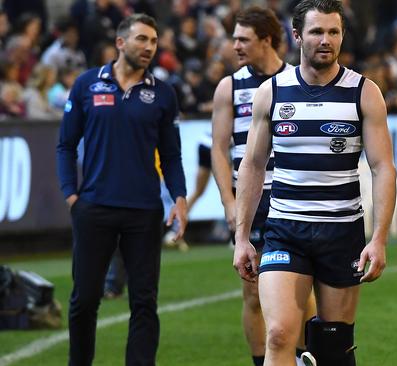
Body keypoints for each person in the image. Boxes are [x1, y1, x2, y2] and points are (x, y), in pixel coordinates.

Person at [233, 1, 397, 365]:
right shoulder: (272, 92)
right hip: (285, 230)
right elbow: (253, 164)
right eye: (317, 31)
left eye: (334, 32)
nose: (326, 40)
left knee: (333, 346)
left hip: (342, 233)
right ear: (296, 36)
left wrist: (379, 239)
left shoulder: (364, 92)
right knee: (278, 336)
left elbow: (383, 167)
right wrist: (242, 237)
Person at [56, 13, 187, 366]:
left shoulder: (163, 94)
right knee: (84, 300)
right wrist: (72, 195)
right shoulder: (86, 85)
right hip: (93, 208)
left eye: (153, 41)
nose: (149, 47)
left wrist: (179, 197)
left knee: (144, 302)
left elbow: (171, 155)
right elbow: (66, 145)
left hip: (144, 212)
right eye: (141, 39)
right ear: (120, 43)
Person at [211, 6, 317, 366]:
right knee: (253, 293)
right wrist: (229, 201)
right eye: (234, 38)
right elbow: (220, 150)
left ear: (267, 40)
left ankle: (305, 356)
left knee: (302, 288)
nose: (235, 46)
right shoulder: (230, 87)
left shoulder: (295, 80)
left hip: (291, 197)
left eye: (243, 39)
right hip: (252, 202)